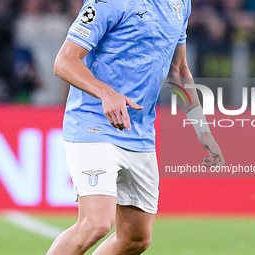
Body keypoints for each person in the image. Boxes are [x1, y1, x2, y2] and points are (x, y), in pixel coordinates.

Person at [46, 0, 225, 254]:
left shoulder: (181, 3)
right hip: (94, 124)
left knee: (136, 239)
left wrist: (201, 127)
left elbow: (178, 70)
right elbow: (64, 61)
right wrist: (106, 93)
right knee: (96, 224)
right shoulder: (108, 3)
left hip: (139, 133)